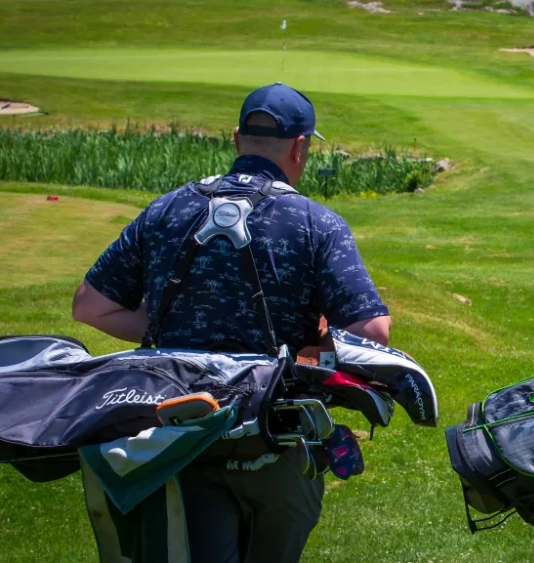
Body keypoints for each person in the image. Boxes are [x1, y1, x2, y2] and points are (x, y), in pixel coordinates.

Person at [72, 82, 391, 562]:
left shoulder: (166, 209)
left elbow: (90, 307)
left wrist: (170, 330)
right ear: (301, 148)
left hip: (174, 437)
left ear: (237, 140)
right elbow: (372, 332)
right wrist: (314, 339)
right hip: (275, 439)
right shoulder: (316, 223)